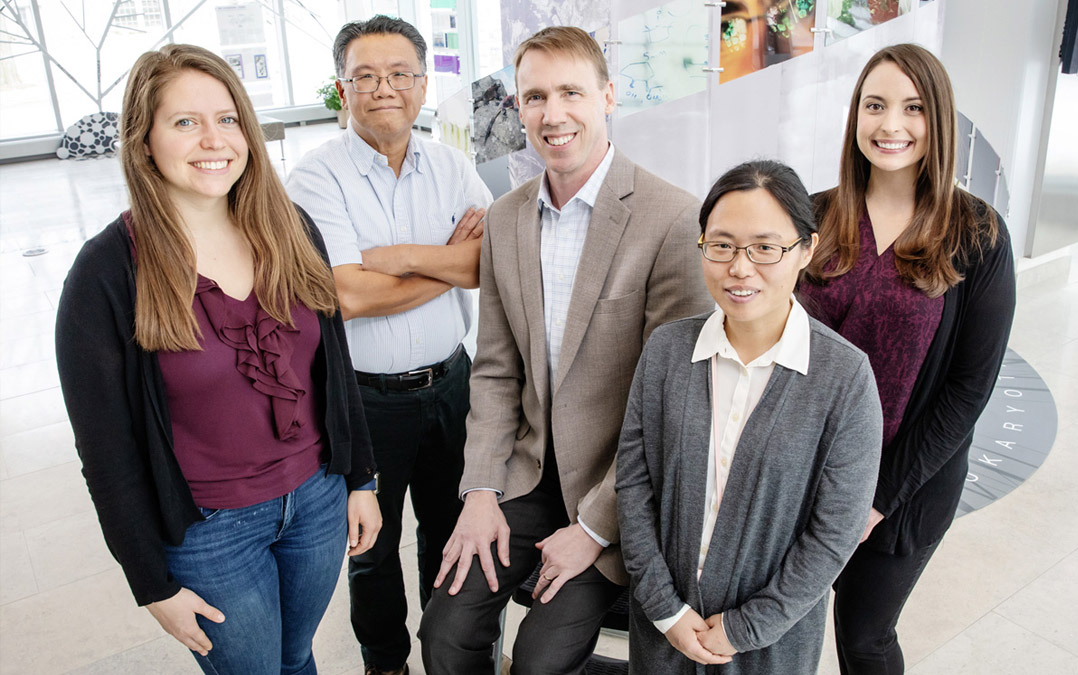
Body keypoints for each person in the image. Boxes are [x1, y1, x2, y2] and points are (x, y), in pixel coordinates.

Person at [54, 44, 381, 675]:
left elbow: (335, 375)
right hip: (210, 531)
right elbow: (106, 451)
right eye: (185, 122)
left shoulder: (291, 228)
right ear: (143, 140)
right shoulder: (107, 274)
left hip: (315, 503)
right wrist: (150, 582)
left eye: (228, 119)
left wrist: (360, 480)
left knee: (294, 657)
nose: (215, 139)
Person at [418, 26, 716, 673]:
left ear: (608, 96)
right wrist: (479, 492)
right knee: (444, 632)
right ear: (518, 108)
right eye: (535, 97)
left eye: (571, 92)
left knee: (541, 658)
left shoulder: (670, 219)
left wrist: (595, 528)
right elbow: (495, 370)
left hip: (617, 487)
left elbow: (674, 403)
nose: (553, 114)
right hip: (523, 475)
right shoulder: (505, 218)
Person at [798, 43, 1016, 674]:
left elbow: (968, 393)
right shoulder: (814, 214)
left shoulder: (977, 233)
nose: (890, 125)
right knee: (782, 621)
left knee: (864, 638)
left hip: (905, 489)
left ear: (938, 119)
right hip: (804, 470)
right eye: (875, 105)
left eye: (912, 108)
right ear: (855, 116)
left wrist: (875, 499)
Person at [616, 159, 883, 673]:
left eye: (765, 247)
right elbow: (634, 484)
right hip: (663, 633)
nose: (740, 268)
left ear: (806, 249)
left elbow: (836, 532)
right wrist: (664, 608)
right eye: (721, 245)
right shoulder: (667, 351)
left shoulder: (845, 378)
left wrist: (746, 628)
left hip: (769, 648)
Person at [286, 16, 492, 675]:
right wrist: (446, 260)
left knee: (450, 531)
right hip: (364, 398)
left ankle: (449, 649)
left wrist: (395, 261)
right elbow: (345, 294)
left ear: (422, 84)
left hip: (452, 383)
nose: (383, 89)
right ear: (342, 89)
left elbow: (489, 264)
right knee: (371, 545)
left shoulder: (452, 163)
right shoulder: (315, 179)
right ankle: (386, 661)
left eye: (399, 74)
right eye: (365, 76)